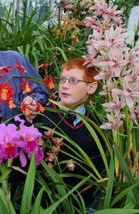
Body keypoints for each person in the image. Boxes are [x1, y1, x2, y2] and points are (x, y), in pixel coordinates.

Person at [34, 57, 103, 206]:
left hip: (81, 204)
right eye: (63, 79)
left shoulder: (96, 126)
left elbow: (98, 171)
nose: (64, 86)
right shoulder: (42, 117)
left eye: (73, 81)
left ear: (91, 87)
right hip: (43, 202)